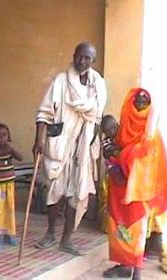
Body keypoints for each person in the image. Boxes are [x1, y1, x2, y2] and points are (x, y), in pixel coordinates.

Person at [33, 42, 107, 256]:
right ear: (74, 55)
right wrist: (39, 140)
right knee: (54, 188)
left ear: (93, 61)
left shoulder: (98, 84)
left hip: (83, 146)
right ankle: (50, 233)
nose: (82, 61)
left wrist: (94, 142)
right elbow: (44, 113)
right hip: (60, 143)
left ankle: (67, 239)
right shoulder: (61, 81)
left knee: (78, 191)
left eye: (87, 58)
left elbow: (98, 117)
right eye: (80, 56)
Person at [103, 88, 167, 280]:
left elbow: (146, 157)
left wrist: (122, 155)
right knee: (119, 228)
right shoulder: (123, 125)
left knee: (137, 229)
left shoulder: (152, 133)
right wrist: (120, 155)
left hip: (139, 189)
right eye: (137, 103)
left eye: (144, 103)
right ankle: (124, 265)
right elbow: (112, 151)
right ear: (131, 105)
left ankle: (137, 269)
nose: (140, 106)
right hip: (119, 187)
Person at [98, 115, 120, 233]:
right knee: (107, 197)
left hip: (123, 172)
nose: (111, 132)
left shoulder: (124, 134)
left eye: (113, 128)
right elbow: (106, 153)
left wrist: (115, 151)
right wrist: (116, 151)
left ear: (117, 124)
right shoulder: (106, 140)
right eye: (108, 131)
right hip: (112, 172)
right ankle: (108, 226)